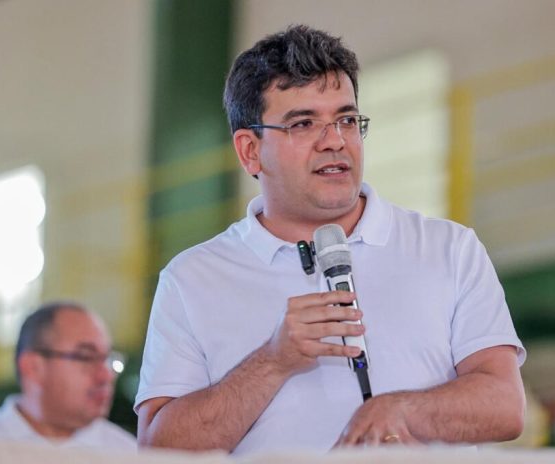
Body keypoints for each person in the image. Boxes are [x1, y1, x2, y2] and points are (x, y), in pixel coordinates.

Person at [136, 25, 526, 455]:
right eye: (304, 124)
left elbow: (505, 406)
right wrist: (272, 361)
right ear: (250, 150)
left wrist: (402, 410)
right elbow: (159, 448)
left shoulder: (449, 249)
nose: (335, 141)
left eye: (346, 120)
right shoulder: (192, 279)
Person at [0, 302, 136, 450]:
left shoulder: (127, 452)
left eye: (108, 360)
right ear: (33, 367)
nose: (106, 376)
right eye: (86, 357)